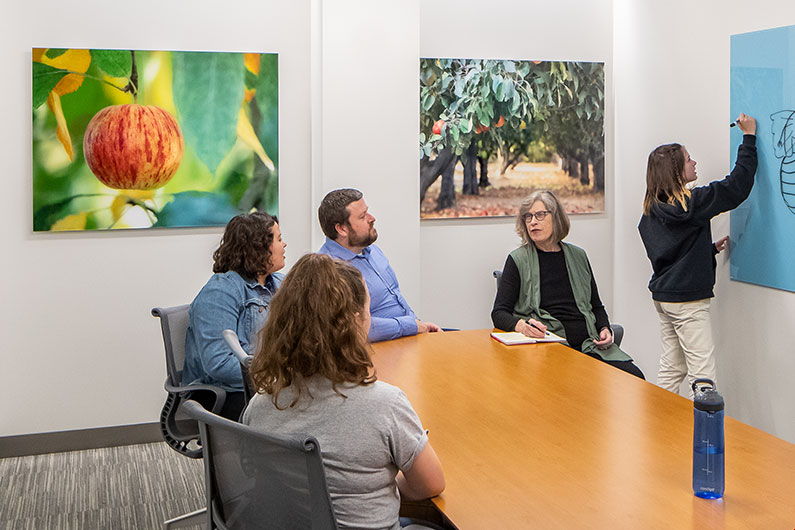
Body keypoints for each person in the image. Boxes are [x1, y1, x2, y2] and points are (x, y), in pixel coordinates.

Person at [242, 253, 445, 530]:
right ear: (356, 321)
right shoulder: (385, 404)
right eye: (369, 310)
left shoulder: (260, 405)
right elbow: (429, 485)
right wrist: (384, 482)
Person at [639, 113, 757, 396]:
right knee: (703, 376)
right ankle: (703, 439)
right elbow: (736, 186)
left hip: (664, 298)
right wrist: (749, 138)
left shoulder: (651, 211)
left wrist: (705, 250)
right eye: (689, 159)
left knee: (672, 367)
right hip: (688, 302)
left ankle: (658, 428)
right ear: (677, 170)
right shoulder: (692, 204)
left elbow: (669, 252)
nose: (694, 162)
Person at [492, 190, 645, 379]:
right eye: (528, 217)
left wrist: (605, 328)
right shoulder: (517, 260)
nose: (533, 222)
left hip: (590, 346)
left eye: (540, 215)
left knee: (635, 377)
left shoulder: (578, 256)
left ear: (556, 218)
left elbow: (596, 306)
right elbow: (499, 313)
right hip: (551, 349)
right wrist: (522, 326)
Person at [182, 212, 287, 421]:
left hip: (269, 386)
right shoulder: (220, 292)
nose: (284, 245)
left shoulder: (281, 284)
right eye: (278, 239)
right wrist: (280, 375)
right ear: (258, 246)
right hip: (229, 395)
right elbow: (219, 364)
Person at [318, 188, 442, 342]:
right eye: (363, 217)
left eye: (367, 212)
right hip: (378, 348)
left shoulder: (371, 250)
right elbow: (355, 327)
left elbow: (396, 299)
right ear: (342, 229)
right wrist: (413, 326)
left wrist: (419, 326)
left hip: (409, 335)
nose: (372, 218)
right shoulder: (328, 269)